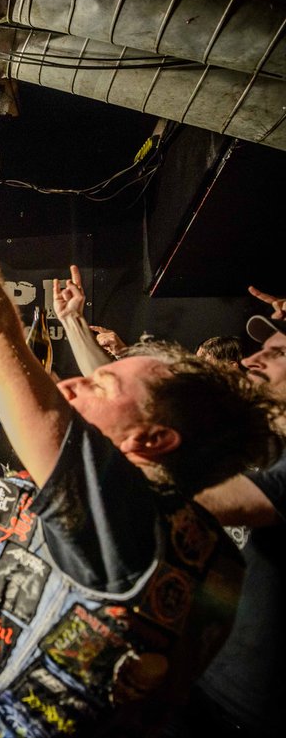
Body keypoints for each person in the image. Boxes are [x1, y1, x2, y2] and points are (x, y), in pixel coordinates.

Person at [0, 134, 276, 737]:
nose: (69, 387)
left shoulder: (119, 522)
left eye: (102, 386)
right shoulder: (141, 520)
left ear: (154, 440)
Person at [178, 303, 286, 738]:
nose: (249, 359)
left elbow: (206, 501)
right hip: (198, 683)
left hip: (247, 713)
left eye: (277, 353)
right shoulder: (261, 440)